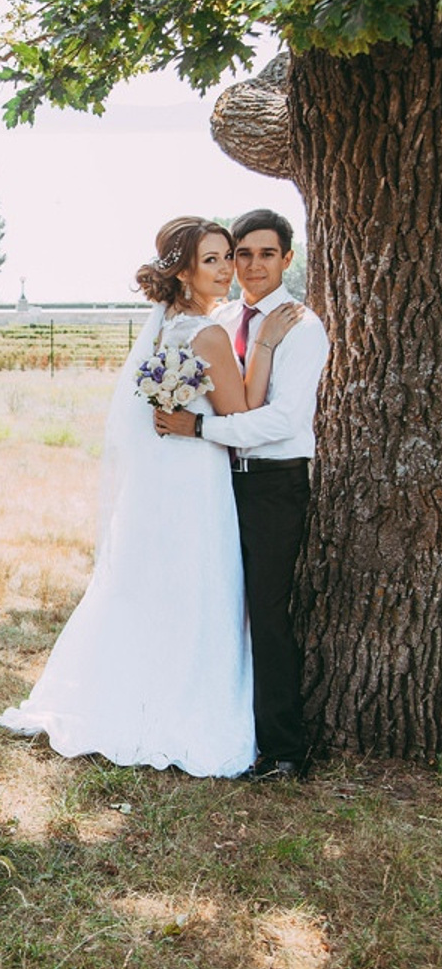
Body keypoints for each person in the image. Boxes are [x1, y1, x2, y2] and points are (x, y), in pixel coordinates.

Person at [0, 216, 300, 777]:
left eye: (229, 256)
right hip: (199, 477)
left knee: (154, 584)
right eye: (214, 260)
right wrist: (268, 346)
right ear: (183, 271)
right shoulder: (208, 335)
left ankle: (132, 695)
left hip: (159, 478)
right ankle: (183, 706)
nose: (228, 269)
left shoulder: (163, 329)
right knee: (201, 584)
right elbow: (243, 412)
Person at [155, 209, 329, 781]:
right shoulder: (222, 315)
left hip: (274, 484)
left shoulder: (301, 327)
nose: (249, 266)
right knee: (221, 602)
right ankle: (220, 720)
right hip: (220, 483)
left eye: (264, 254)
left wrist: (201, 430)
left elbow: (281, 420)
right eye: (240, 254)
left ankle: (283, 750)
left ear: (287, 259)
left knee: (266, 613)